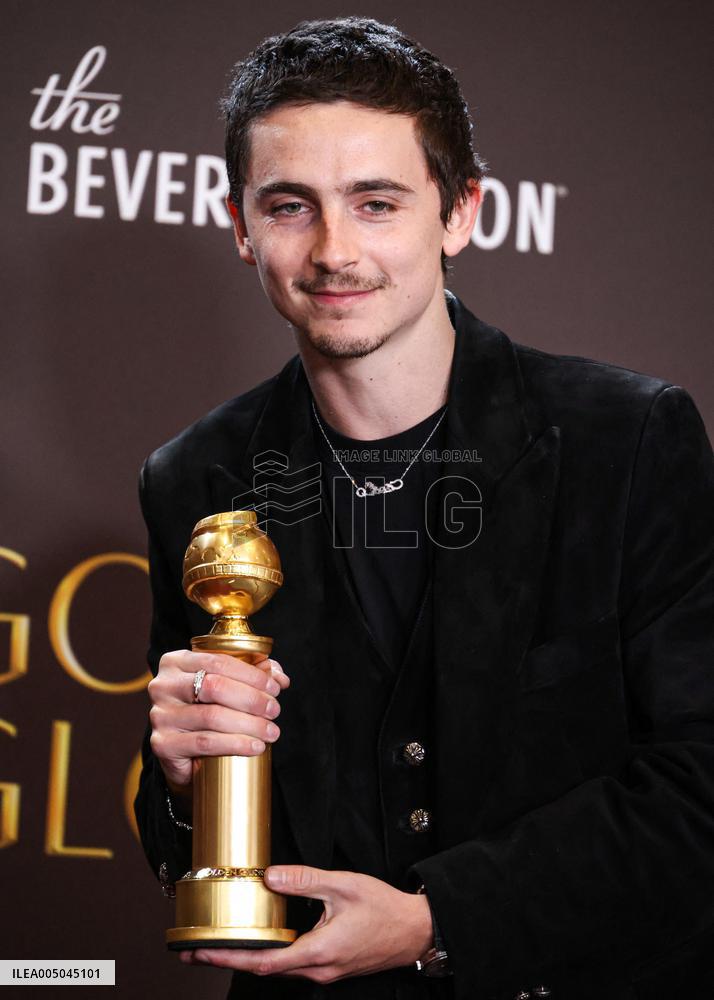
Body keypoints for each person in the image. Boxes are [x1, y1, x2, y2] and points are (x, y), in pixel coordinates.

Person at [134, 16, 714, 1000]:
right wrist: (186, 782)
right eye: (289, 206)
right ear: (239, 225)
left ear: (460, 213)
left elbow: (702, 789)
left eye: (376, 203)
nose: (333, 250)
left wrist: (439, 919)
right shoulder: (195, 475)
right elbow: (182, 847)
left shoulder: (628, 439)